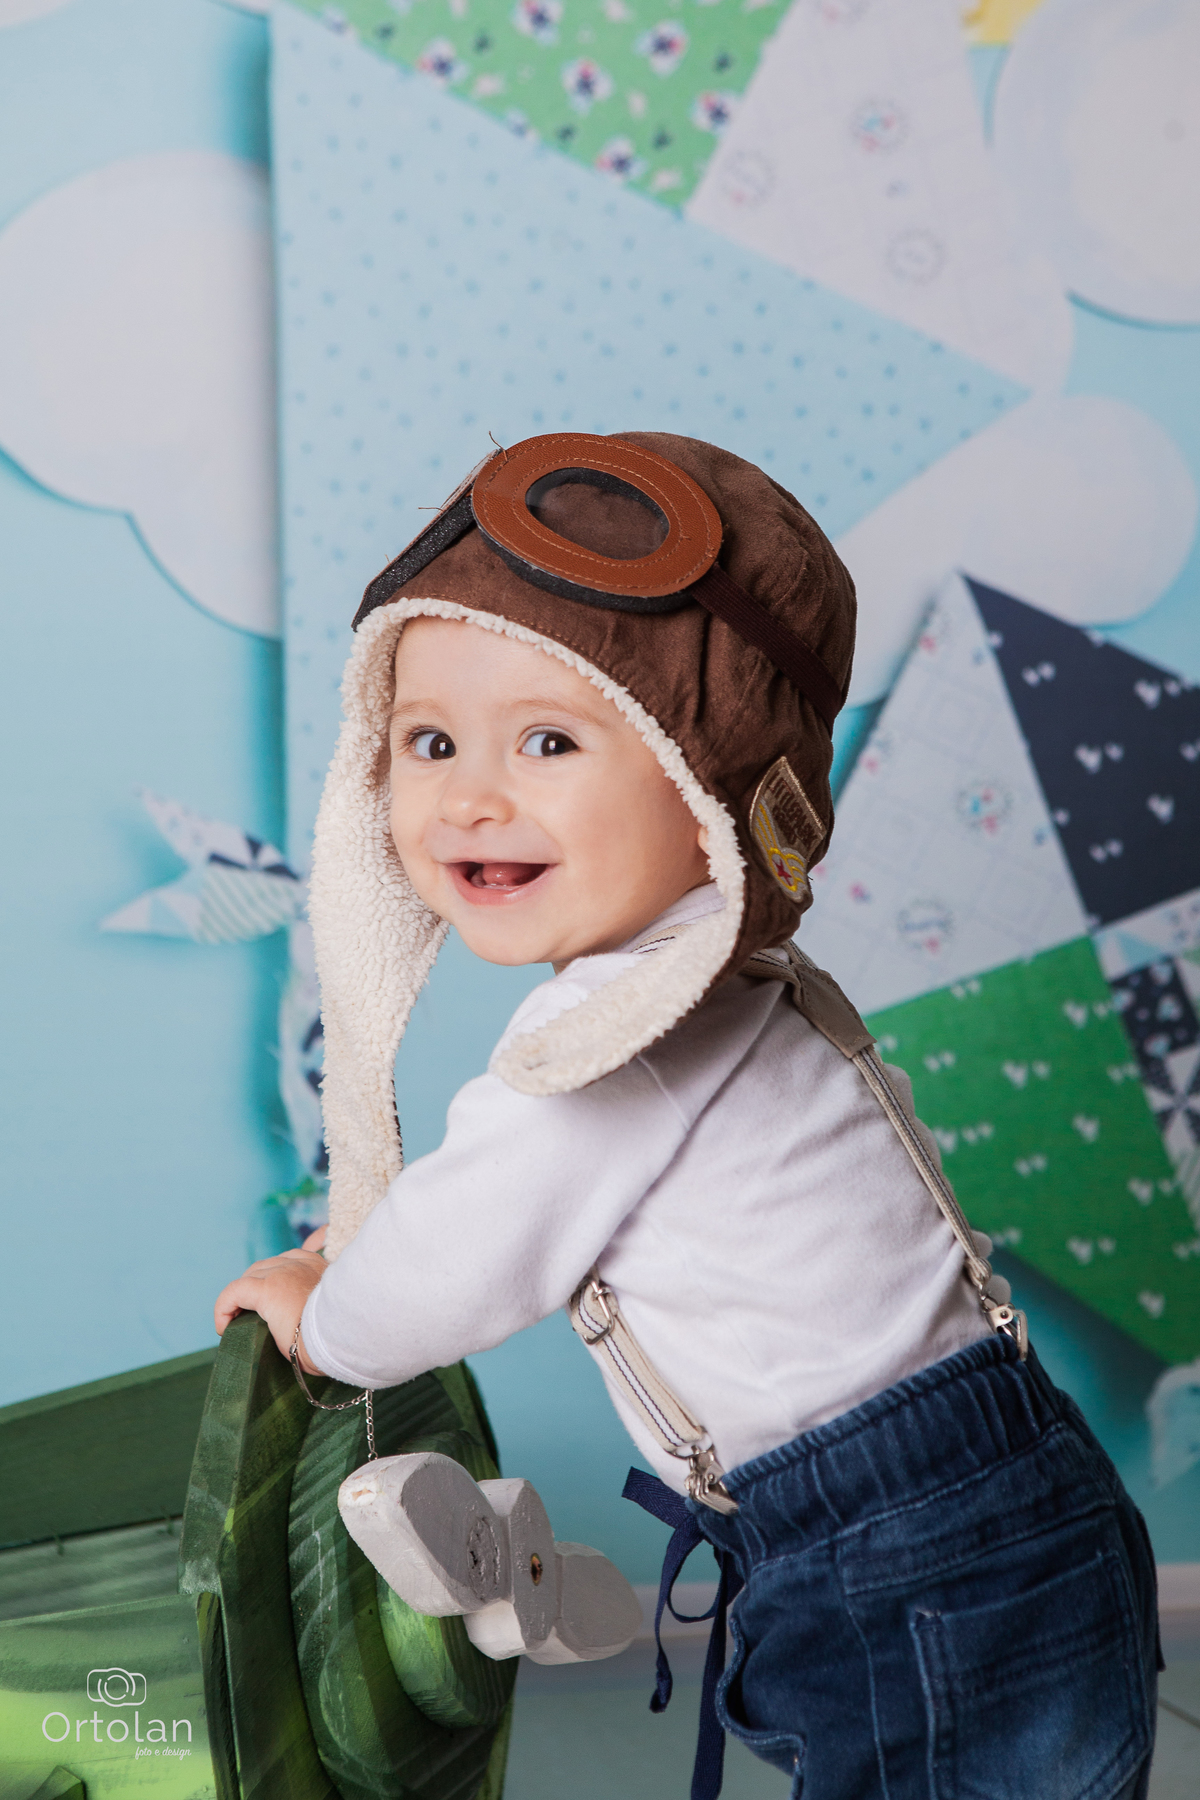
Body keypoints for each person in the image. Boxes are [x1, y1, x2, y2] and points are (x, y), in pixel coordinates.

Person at [216, 431, 1160, 1800]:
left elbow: (455, 1262)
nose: (470, 793)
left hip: (900, 1550)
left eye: (550, 739)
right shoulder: (734, 984)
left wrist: (326, 1316)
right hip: (992, 1485)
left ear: (707, 780)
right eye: (428, 741)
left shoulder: (614, 1042)